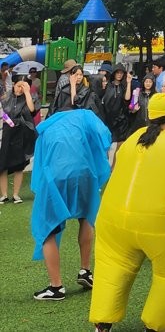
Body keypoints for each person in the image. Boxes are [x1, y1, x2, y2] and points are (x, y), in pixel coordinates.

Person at [89, 93, 165, 332]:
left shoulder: (136, 137)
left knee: (111, 268)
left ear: (149, 116)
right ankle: (156, 324)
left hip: (116, 221)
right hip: (162, 227)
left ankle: (102, 322)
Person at [30, 106, 112, 301]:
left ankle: (56, 286)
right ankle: (85, 271)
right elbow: (104, 135)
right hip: (85, 173)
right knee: (86, 217)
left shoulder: (46, 127)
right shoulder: (85, 116)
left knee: (47, 227)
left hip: (55, 176)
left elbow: (40, 163)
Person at [1, 76, 37, 203]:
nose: (20, 88)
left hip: (21, 134)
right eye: (18, 85)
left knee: (19, 165)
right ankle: (4, 194)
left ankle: (16, 194)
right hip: (7, 133)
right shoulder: (6, 98)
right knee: (3, 165)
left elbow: (32, 109)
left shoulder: (28, 97)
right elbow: (3, 112)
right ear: (13, 84)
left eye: (23, 86)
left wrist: (27, 92)